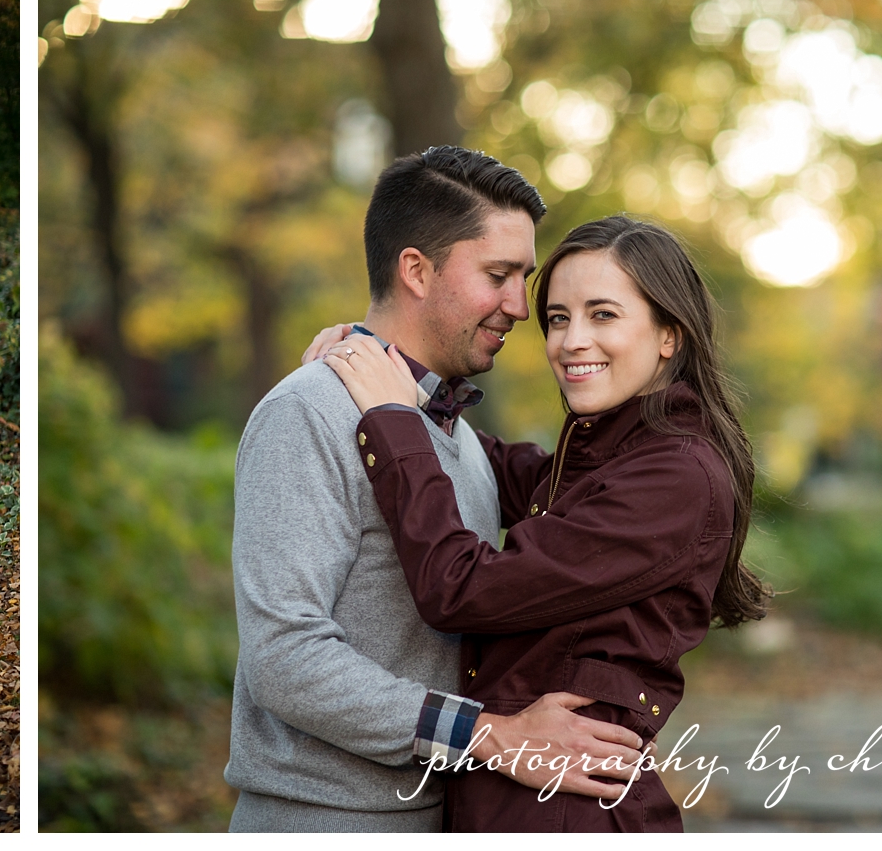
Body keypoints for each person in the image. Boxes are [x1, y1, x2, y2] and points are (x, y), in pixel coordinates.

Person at [226, 148, 649, 832]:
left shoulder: (445, 424)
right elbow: (284, 658)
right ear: (416, 270)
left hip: (437, 815)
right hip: (326, 822)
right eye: (498, 276)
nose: (520, 305)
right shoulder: (307, 413)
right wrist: (493, 734)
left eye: (524, 278)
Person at [318, 216, 769, 831]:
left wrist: (391, 417)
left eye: (603, 315)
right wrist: (386, 360)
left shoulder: (674, 479)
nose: (571, 341)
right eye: (558, 318)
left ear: (670, 334)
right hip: (521, 804)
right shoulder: (613, 455)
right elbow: (493, 469)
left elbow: (460, 588)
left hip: (566, 813)